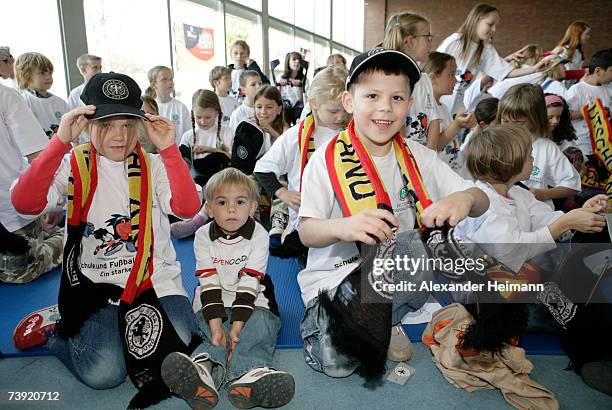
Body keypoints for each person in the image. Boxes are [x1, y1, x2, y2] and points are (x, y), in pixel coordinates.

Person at [11, 72, 202, 407]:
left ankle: (123, 342)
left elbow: (187, 209)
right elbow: (25, 204)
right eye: (106, 124)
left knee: (182, 341)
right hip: (94, 289)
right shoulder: (73, 163)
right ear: (85, 124)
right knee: (103, 374)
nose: (119, 135)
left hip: (154, 282)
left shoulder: (154, 165)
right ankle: (57, 333)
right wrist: (58, 143)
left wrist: (170, 149)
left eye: (128, 125)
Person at [297, 48, 489, 378]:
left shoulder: (419, 157)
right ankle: (342, 322)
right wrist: (345, 226)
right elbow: (306, 232)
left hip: (397, 276)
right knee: (339, 366)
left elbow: (481, 199)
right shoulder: (326, 159)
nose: (385, 107)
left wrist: (465, 200)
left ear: (409, 105)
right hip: (338, 277)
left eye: (397, 98)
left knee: (418, 241)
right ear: (348, 101)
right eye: (372, 95)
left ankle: (388, 318)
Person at [161, 167, 295, 409]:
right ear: (209, 209)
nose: (231, 209)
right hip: (214, 298)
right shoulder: (202, 236)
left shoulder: (259, 235)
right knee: (213, 333)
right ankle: (203, 370)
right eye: (222, 202)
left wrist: (238, 324)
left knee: (258, 327)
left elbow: (250, 281)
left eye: (240, 202)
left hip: (253, 297)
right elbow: (208, 280)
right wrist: (216, 325)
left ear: (253, 207)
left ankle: (249, 374)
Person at [254, 66, 349, 249]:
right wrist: (283, 194)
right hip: (308, 220)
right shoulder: (296, 136)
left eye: (346, 109)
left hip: (343, 217)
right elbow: (263, 169)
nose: (341, 116)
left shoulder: (350, 133)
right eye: (334, 111)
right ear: (313, 103)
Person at [0, 84, 63, 284]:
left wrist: (52, 199)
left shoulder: (5, 96)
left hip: (11, 211)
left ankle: (71, 235)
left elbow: (39, 157)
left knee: (19, 271)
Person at [436, 4, 548, 114]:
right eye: (490, 24)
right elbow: (432, 65)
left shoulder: (486, 49)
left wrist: (534, 69)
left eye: (495, 26)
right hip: (438, 101)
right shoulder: (455, 41)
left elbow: (506, 71)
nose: (494, 29)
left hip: (457, 108)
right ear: (476, 20)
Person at [498, 84, 581, 209]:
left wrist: (543, 194)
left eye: (519, 123)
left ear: (535, 119)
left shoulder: (547, 148)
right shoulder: (495, 143)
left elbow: (572, 185)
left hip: (537, 214)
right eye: (505, 121)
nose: (511, 128)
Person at [382, 12, 442, 148]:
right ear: (409, 41)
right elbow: (396, 124)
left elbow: (434, 120)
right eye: (428, 37)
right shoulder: (391, 79)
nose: (431, 43)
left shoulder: (425, 79)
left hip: (422, 158)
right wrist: (408, 159)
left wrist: (429, 155)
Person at [424, 52, 476, 172]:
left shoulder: (444, 108)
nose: (456, 80)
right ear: (432, 78)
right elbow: (434, 145)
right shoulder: (426, 109)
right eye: (451, 75)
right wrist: (457, 124)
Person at [180, 89, 233, 187]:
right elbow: (183, 166)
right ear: (192, 114)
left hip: (223, 184)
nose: (203, 122)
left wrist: (211, 150)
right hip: (196, 186)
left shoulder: (227, 133)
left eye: (208, 117)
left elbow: (233, 160)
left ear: (217, 112)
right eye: (198, 117)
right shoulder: (188, 136)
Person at [566, 49, 612, 157]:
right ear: (598, 71)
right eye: (611, 71)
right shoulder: (577, 89)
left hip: (605, 148)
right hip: (583, 148)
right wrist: (590, 111)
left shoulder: (609, 90)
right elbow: (565, 116)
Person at [231, 85, 284, 176]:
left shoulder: (285, 129)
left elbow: (289, 152)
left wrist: (273, 132)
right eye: (259, 107)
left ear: (279, 109)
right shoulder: (248, 127)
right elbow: (240, 164)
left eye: (269, 107)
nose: (263, 111)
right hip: (250, 178)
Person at [14, 52, 69, 138]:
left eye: (50, 73)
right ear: (26, 75)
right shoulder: (22, 102)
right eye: (42, 73)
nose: (48, 77)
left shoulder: (60, 103)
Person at [146, 65, 191, 145]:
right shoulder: (149, 108)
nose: (170, 82)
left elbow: (188, 134)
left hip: (177, 153)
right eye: (164, 80)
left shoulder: (181, 107)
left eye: (171, 79)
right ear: (153, 85)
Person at [277, 51, 306, 126]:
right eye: (294, 59)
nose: (297, 61)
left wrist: (300, 87)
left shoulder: (304, 79)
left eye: (299, 60)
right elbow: (277, 97)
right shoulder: (280, 77)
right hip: (285, 107)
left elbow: (303, 99)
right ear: (288, 62)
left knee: (299, 113)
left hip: (298, 107)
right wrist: (280, 85)